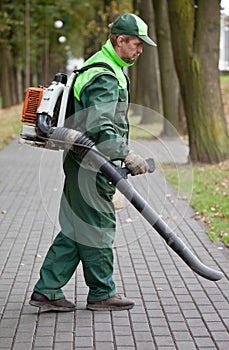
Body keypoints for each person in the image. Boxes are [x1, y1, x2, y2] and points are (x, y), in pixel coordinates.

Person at [29, 13, 156, 312]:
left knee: (77, 227)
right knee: (98, 226)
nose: (140, 51)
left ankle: (47, 290)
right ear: (119, 40)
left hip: (83, 159)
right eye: (136, 44)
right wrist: (127, 155)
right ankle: (101, 293)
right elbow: (101, 126)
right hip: (93, 163)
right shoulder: (104, 74)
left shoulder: (105, 64)